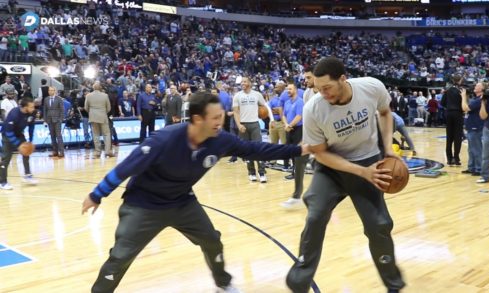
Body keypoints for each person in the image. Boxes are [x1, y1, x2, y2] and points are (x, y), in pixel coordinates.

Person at [81, 91, 309, 293]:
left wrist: (298, 149)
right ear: (198, 119)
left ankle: (223, 283)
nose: (221, 122)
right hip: (143, 205)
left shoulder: (220, 140)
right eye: (216, 118)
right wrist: (96, 195)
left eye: (222, 116)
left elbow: (256, 149)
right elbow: (125, 168)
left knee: (212, 241)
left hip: (182, 202)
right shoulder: (164, 139)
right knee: (120, 257)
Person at [286, 57, 405, 293]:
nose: (323, 93)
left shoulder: (371, 87)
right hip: (330, 168)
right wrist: (361, 171)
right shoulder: (314, 108)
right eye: (318, 89)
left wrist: (388, 148)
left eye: (327, 88)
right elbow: (320, 153)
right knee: (315, 216)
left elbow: (384, 112)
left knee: (379, 225)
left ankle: (394, 284)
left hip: (368, 160)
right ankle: (298, 282)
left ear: (343, 78)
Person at [281, 67, 317, 209]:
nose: (305, 80)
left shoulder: (327, 93)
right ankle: (297, 196)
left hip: (330, 135)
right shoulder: (307, 94)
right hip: (313, 134)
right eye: (305, 77)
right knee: (299, 160)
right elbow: (307, 117)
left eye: (308, 77)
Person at [232, 76, 274, 183]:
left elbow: (266, 107)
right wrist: (239, 125)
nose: (243, 83)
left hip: (255, 124)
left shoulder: (257, 94)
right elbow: (236, 112)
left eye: (245, 81)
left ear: (250, 83)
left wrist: (271, 119)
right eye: (241, 82)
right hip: (243, 125)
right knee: (247, 151)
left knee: (258, 148)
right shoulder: (237, 96)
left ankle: (262, 172)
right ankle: (251, 173)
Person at [0, 97, 38, 190]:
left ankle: (27, 174)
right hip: (7, 135)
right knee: (5, 159)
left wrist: (30, 140)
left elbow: (31, 126)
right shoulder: (14, 113)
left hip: (19, 134)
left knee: (26, 153)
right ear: (25, 107)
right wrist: (18, 144)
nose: (33, 109)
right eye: (31, 107)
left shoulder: (32, 113)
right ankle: (2, 182)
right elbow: (9, 132)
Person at [461, 82, 485, 176]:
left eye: (477, 86)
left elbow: (465, 108)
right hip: (471, 127)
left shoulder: (480, 99)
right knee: (471, 149)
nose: (474, 86)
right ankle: (471, 167)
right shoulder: (475, 99)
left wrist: (463, 96)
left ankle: (479, 169)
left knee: (477, 149)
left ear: (482, 89)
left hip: (476, 127)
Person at [441, 75, 464, 166]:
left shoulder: (447, 90)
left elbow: (442, 103)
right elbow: (464, 104)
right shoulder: (461, 91)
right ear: (460, 80)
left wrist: (449, 107)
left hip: (449, 114)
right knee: (457, 137)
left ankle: (449, 159)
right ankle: (456, 158)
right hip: (458, 113)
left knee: (449, 137)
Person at [85, 81, 113, 158]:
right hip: (103, 116)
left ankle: (97, 152)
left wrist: (92, 112)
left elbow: (86, 108)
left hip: (93, 117)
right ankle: (107, 151)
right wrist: (103, 112)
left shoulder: (88, 95)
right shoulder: (105, 95)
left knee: (96, 135)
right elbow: (109, 108)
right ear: (100, 87)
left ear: (93, 87)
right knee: (106, 134)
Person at [43, 86, 65, 158]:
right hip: (49, 120)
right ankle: (55, 151)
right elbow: (45, 110)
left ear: (55, 91)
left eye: (52, 90)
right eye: (49, 90)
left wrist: (61, 119)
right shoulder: (46, 99)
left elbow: (62, 110)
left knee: (59, 136)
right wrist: (45, 120)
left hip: (57, 120)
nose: (50, 91)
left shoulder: (59, 99)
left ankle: (61, 152)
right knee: (52, 136)